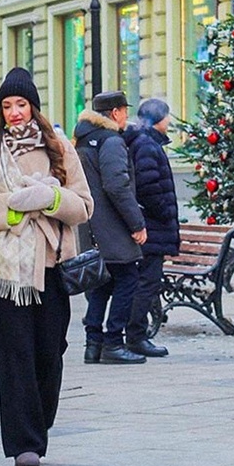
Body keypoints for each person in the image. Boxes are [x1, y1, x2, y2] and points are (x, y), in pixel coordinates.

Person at [0, 67, 94, 466]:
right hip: (6, 275)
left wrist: (50, 197)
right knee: (14, 357)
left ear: (33, 106)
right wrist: (13, 208)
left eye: (20, 104)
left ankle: (38, 422)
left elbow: (85, 205)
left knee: (50, 354)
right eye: (7, 105)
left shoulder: (59, 148)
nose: (14, 112)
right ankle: (24, 446)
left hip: (52, 268)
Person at [74, 91, 148, 365]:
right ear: (115, 113)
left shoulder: (82, 139)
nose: (126, 117)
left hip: (90, 224)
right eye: (124, 111)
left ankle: (93, 344)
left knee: (101, 284)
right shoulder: (111, 141)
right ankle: (113, 343)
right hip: (112, 226)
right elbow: (117, 185)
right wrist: (137, 223)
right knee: (127, 278)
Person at [121, 98, 180, 358]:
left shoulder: (146, 141)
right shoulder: (147, 144)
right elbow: (148, 186)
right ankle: (136, 336)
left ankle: (133, 334)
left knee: (143, 282)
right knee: (147, 283)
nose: (169, 121)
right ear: (158, 119)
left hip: (151, 226)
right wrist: (165, 212)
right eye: (167, 116)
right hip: (153, 227)